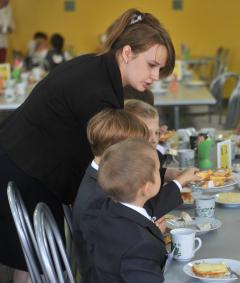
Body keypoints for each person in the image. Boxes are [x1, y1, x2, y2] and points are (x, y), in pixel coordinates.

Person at [0, 8, 175, 282]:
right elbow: (118, 166)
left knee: (31, 260)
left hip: (23, 157)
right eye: (152, 65)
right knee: (32, 259)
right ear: (127, 53)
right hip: (26, 166)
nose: (156, 75)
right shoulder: (99, 92)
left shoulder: (98, 68)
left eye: (160, 69)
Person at [91, 137, 167, 282]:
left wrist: (153, 232)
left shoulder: (109, 208)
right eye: (158, 170)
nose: (160, 172)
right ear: (146, 188)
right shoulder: (139, 246)